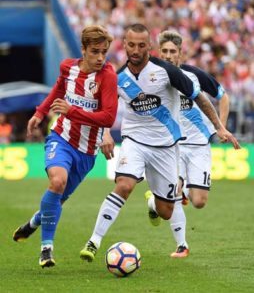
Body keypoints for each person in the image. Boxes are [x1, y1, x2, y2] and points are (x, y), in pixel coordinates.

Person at [79, 23, 240, 262]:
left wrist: (219, 127)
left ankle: (154, 203)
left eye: (141, 45)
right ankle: (94, 241)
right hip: (134, 141)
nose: (135, 50)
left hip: (166, 147)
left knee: (167, 211)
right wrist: (105, 133)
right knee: (124, 184)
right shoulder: (117, 77)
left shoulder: (168, 71)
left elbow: (201, 98)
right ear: (124, 44)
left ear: (149, 46)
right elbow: (105, 109)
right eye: (131, 44)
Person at [12, 25, 118, 268]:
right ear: (83, 50)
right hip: (61, 138)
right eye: (95, 52)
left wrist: (73, 111)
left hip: (87, 152)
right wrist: (40, 112)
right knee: (57, 182)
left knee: (57, 200)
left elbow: (108, 118)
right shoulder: (67, 67)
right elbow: (59, 89)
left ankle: (33, 223)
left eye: (104, 52)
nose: (101, 58)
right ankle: (46, 249)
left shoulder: (108, 77)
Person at [145, 29, 232, 258]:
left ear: (180, 54)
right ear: (158, 52)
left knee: (199, 202)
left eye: (173, 51)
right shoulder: (151, 78)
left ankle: (155, 202)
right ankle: (182, 245)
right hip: (172, 147)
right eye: (164, 51)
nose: (168, 55)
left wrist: (220, 127)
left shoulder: (193, 76)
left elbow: (223, 96)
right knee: (174, 193)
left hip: (199, 146)